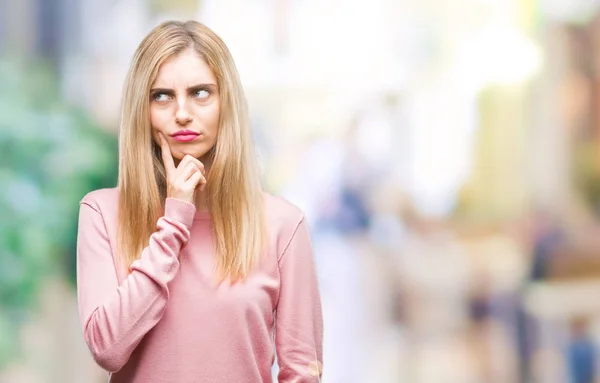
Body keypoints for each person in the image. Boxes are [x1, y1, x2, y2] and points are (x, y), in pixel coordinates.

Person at [76, 20, 323, 383]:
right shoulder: (102, 213)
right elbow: (107, 349)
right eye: (161, 95)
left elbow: (301, 371)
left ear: (227, 103)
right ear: (141, 112)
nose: (182, 113)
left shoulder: (283, 225)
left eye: (201, 93)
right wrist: (174, 223)